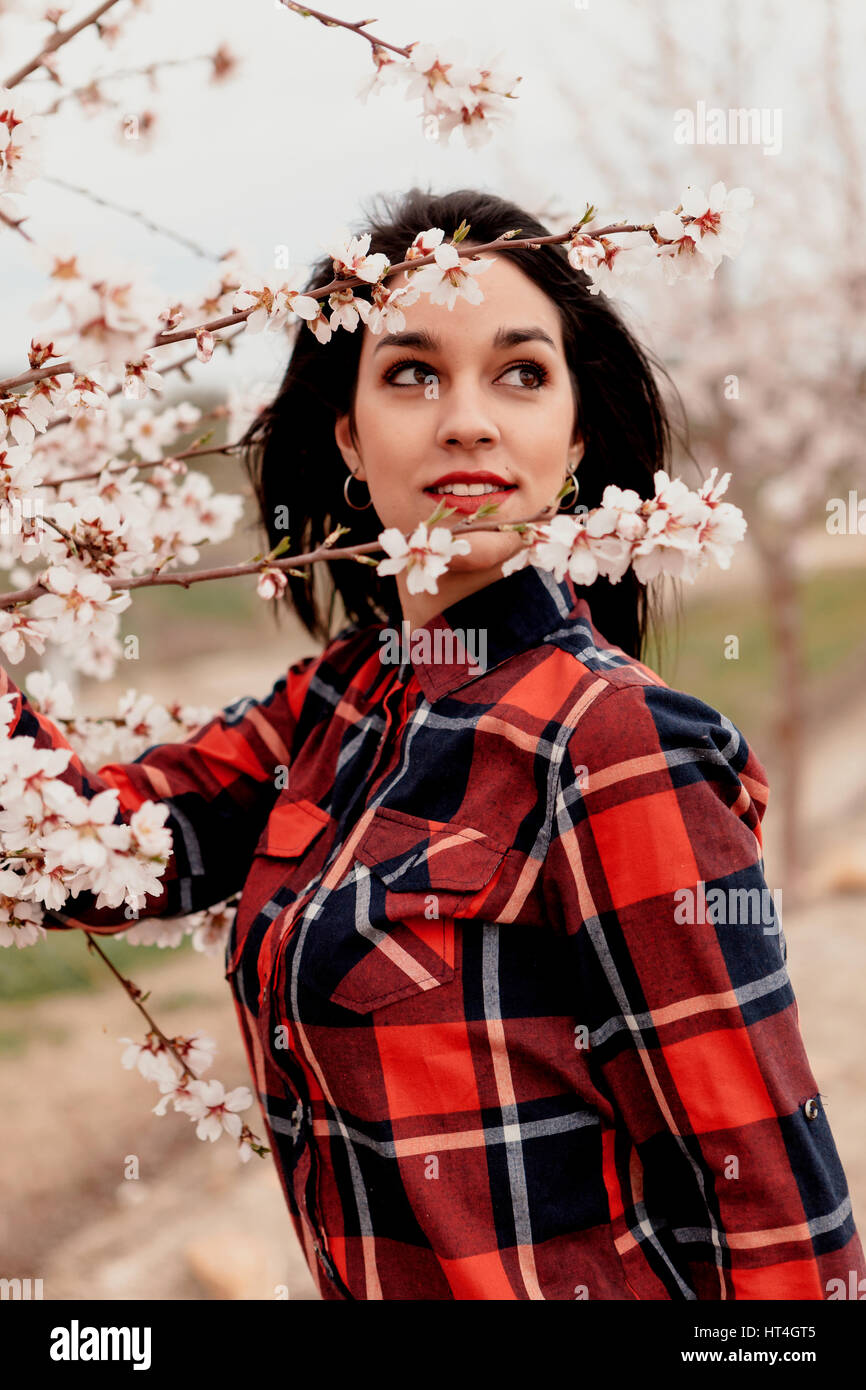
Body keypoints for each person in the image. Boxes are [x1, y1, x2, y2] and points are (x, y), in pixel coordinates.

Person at [2, 186, 863, 1301]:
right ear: (349, 438)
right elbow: (81, 852)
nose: (467, 419)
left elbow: (779, 1225)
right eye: (412, 373)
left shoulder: (613, 745)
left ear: (575, 433)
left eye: (519, 373)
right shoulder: (331, 705)